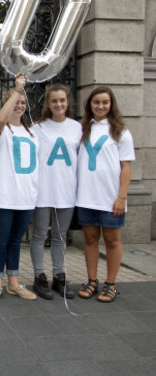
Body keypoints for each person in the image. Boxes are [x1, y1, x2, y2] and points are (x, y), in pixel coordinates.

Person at [76, 86, 134, 303]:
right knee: (90, 239)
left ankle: (110, 284)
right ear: (90, 105)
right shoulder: (83, 129)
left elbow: (126, 167)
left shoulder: (120, 131)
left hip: (110, 196)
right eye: (96, 102)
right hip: (87, 195)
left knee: (112, 240)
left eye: (105, 102)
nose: (100, 106)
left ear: (111, 105)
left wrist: (122, 196)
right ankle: (92, 280)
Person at [0, 73, 38, 302]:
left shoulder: (33, 132)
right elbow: (0, 120)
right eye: (15, 102)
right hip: (3, 196)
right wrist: (17, 89)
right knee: (1, 240)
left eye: (22, 103)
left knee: (16, 242)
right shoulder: (0, 131)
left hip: (26, 196)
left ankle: (13, 283)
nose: (19, 106)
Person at [30, 84, 81, 300]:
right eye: (54, 101)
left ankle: (58, 275)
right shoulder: (38, 128)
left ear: (67, 102)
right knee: (40, 234)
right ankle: (39, 276)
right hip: (43, 190)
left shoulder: (77, 128)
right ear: (47, 104)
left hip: (66, 190)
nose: (58, 104)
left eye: (62, 100)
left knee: (60, 236)